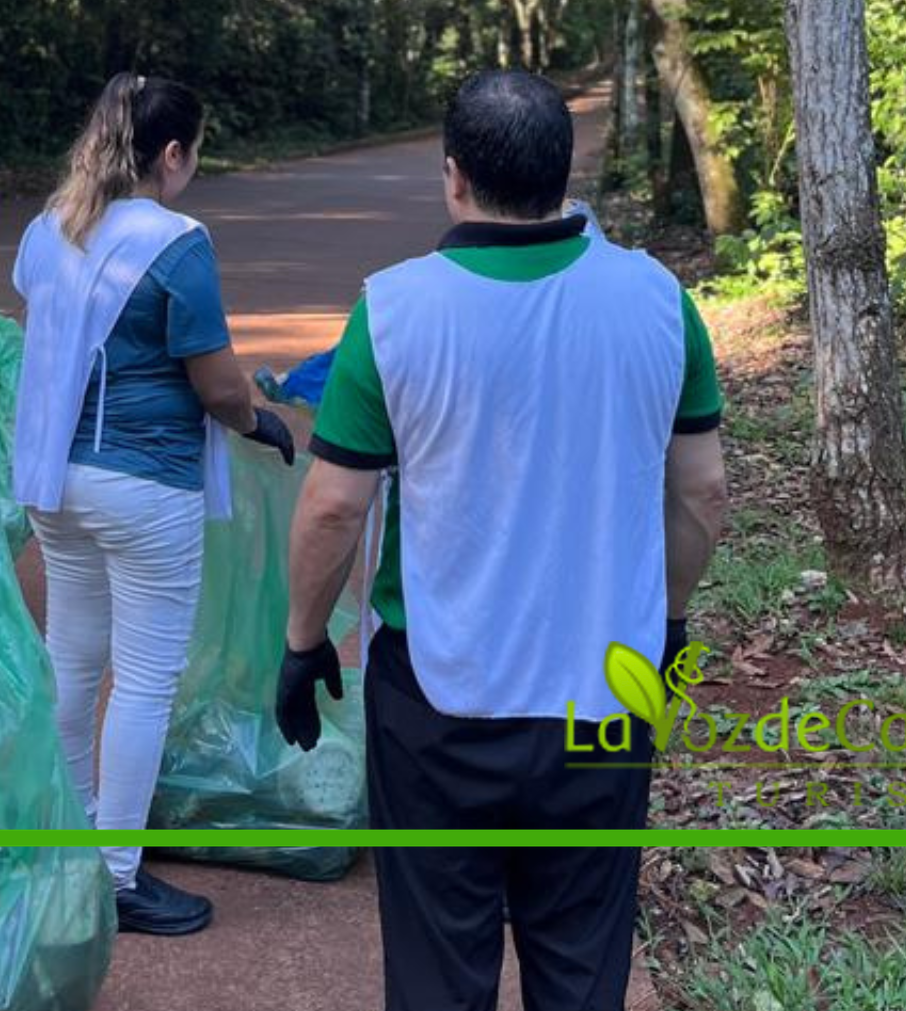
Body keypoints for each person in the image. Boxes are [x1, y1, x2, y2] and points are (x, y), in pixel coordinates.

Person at [274, 70, 728, 1011]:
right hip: (604, 695)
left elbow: (331, 507)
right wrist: (672, 620)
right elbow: (703, 491)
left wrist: (302, 640)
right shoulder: (659, 301)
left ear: (453, 177)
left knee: (440, 966)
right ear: (564, 174)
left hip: (441, 694)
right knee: (581, 960)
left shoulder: (394, 312)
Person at [12, 72, 296, 936]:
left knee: (73, 659)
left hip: (56, 480)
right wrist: (260, 420)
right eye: (195, 154)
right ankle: (115, 872)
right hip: (146, 484)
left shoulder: (48, 228)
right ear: (170, 153)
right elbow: (216, 384)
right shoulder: (176, 243)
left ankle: (67, 839)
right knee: (143, 680)